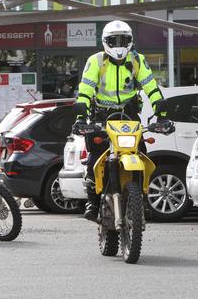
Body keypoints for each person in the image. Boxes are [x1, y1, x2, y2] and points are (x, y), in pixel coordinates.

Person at [73, 20, 170, 221]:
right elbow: (85, 89)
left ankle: (142, 199)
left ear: (130, 41)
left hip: (129, 114)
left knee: (141, 152)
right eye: (113, 40)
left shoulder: (137, 60)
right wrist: (81, 116)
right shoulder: (96, 61)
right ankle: (92, 201)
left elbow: (150, 86)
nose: (118, 45)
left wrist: (161, 110)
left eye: (123, 40)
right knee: (94, 157)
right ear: (104, 41)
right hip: (101, 115)